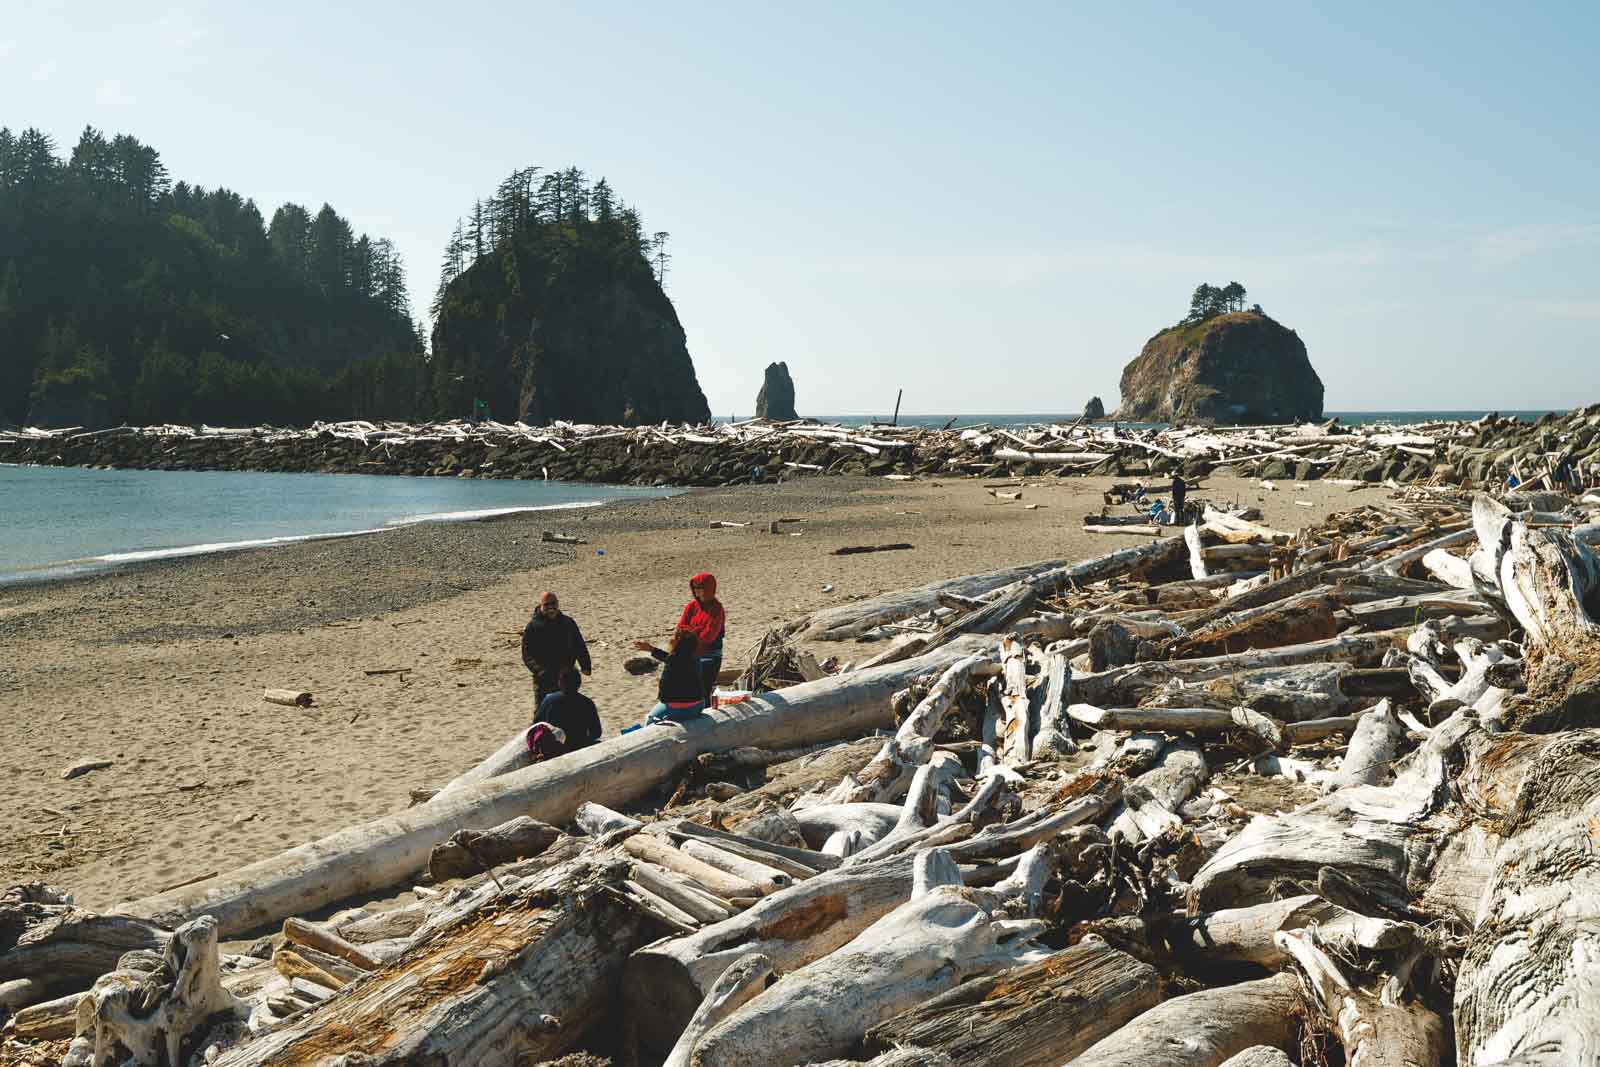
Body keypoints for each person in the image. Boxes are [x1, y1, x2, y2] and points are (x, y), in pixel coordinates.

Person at [521, 592, 592, 705]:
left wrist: (586, 665)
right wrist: (540, 671)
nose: (550, 607)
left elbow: (579, 645)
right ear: (541, 606)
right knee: (543, 710)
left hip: (566, 675)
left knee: (568, 708)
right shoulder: (533, 626)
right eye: (546, 604)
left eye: (553, 604)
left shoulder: (568, 622)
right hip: (544, 678)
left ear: (558, 604)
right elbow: (527, 654)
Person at [632, 628, 706, 725]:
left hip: (678, 707)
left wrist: (651, 649)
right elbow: (668, 658)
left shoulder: (674, 659)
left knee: (649, 721)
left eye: (674, 638)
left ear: (678, 644)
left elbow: (669, 658)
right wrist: (651, 649)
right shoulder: (695, 658)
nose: (671, 640)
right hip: (698, 706)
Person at [674, 572, 725, 706]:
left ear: (708, 588)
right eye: (695, 588)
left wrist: (690, 632)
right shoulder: (691, 606)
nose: (697, 591)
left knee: (703, 689)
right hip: (689, 652)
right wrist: (695, 632)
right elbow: (680, 627)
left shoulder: (717, 609)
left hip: (710, 654)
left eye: (700, 588)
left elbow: (709, 635)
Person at [529, 667, 602, 756]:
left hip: (554, 750)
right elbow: (596, 732)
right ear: (579, 683)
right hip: (579, 747)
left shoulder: (549, 700)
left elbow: (536, 724)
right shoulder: (587, 703)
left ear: (560, 683)